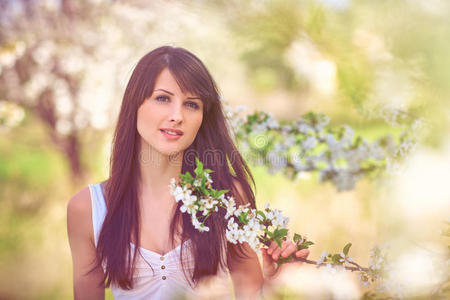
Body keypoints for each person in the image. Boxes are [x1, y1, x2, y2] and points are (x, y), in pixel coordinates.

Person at [67, 46, 309, 300]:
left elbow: (250, 294)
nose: (177, 116)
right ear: (135, 104)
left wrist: (277, 281)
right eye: (163, 98)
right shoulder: (87, 209)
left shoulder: (227, 198)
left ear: (203, 117)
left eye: (191, 104)